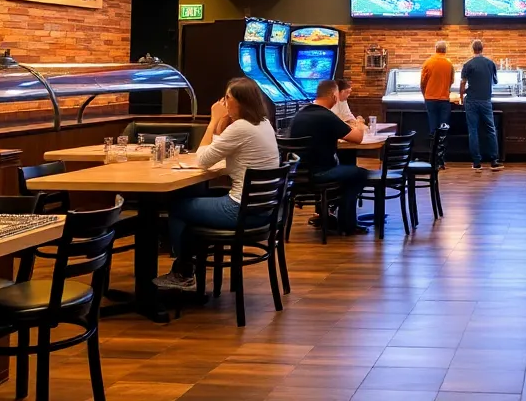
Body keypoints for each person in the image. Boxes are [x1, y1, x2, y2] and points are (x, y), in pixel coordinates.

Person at [155, 77, 281, 291]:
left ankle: (183, 272)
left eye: (227, 98)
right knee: (191, 201)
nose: (223, 102)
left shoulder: (241, 127)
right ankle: (188, 265)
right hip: (262, 210)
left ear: (239, 101)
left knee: (177, 207)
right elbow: (221, 147)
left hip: (239, 211)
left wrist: (213, 120)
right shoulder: (263, 123)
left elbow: (202, 159)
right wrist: (223, 122)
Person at [290, 80, 369, 235]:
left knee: (344, 171)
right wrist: (359, 125)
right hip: (320, 173)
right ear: (334, 96)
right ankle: (347, 225)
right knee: (359, 173)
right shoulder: (326, 116)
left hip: (298, 175)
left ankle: (327, 216)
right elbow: (357, 138)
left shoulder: (300, 114)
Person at [459, 39, 502, 171]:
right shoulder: (490, 63)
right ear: (482, 49)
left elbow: (462, 84)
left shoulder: (468, 64)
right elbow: (495, 81)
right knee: (491, 129)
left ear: (472, 49)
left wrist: (461, 96)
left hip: (471, 101)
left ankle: (477, 162)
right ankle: (494, 160)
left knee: (473, 131)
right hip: (486, 100)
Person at [420, 40, 454, 136]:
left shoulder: (428, 62)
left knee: (433, 125)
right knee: (443, 127)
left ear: (436, 49)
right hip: (444, 99)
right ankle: (441, 144)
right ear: (445, 50)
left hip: (430, 99)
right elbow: (451, 81)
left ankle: (433, 142)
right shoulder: (449, 64)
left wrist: (425, 94)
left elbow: (423, 82)